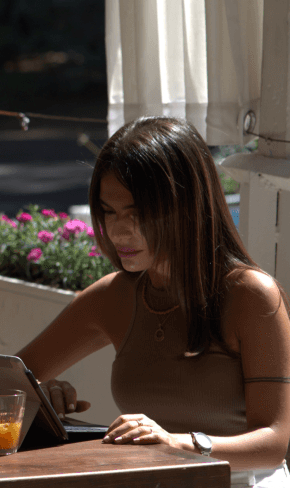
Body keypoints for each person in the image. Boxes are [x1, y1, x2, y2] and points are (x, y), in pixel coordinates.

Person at [16, 116, 290, 486]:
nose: (119, 231)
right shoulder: (113, 296)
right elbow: (6, 379)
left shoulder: (251, 295)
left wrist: (178, 443)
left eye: (138, 213)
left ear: (186, 205)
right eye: (109, 212)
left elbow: (273, 443)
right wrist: (42, 400)